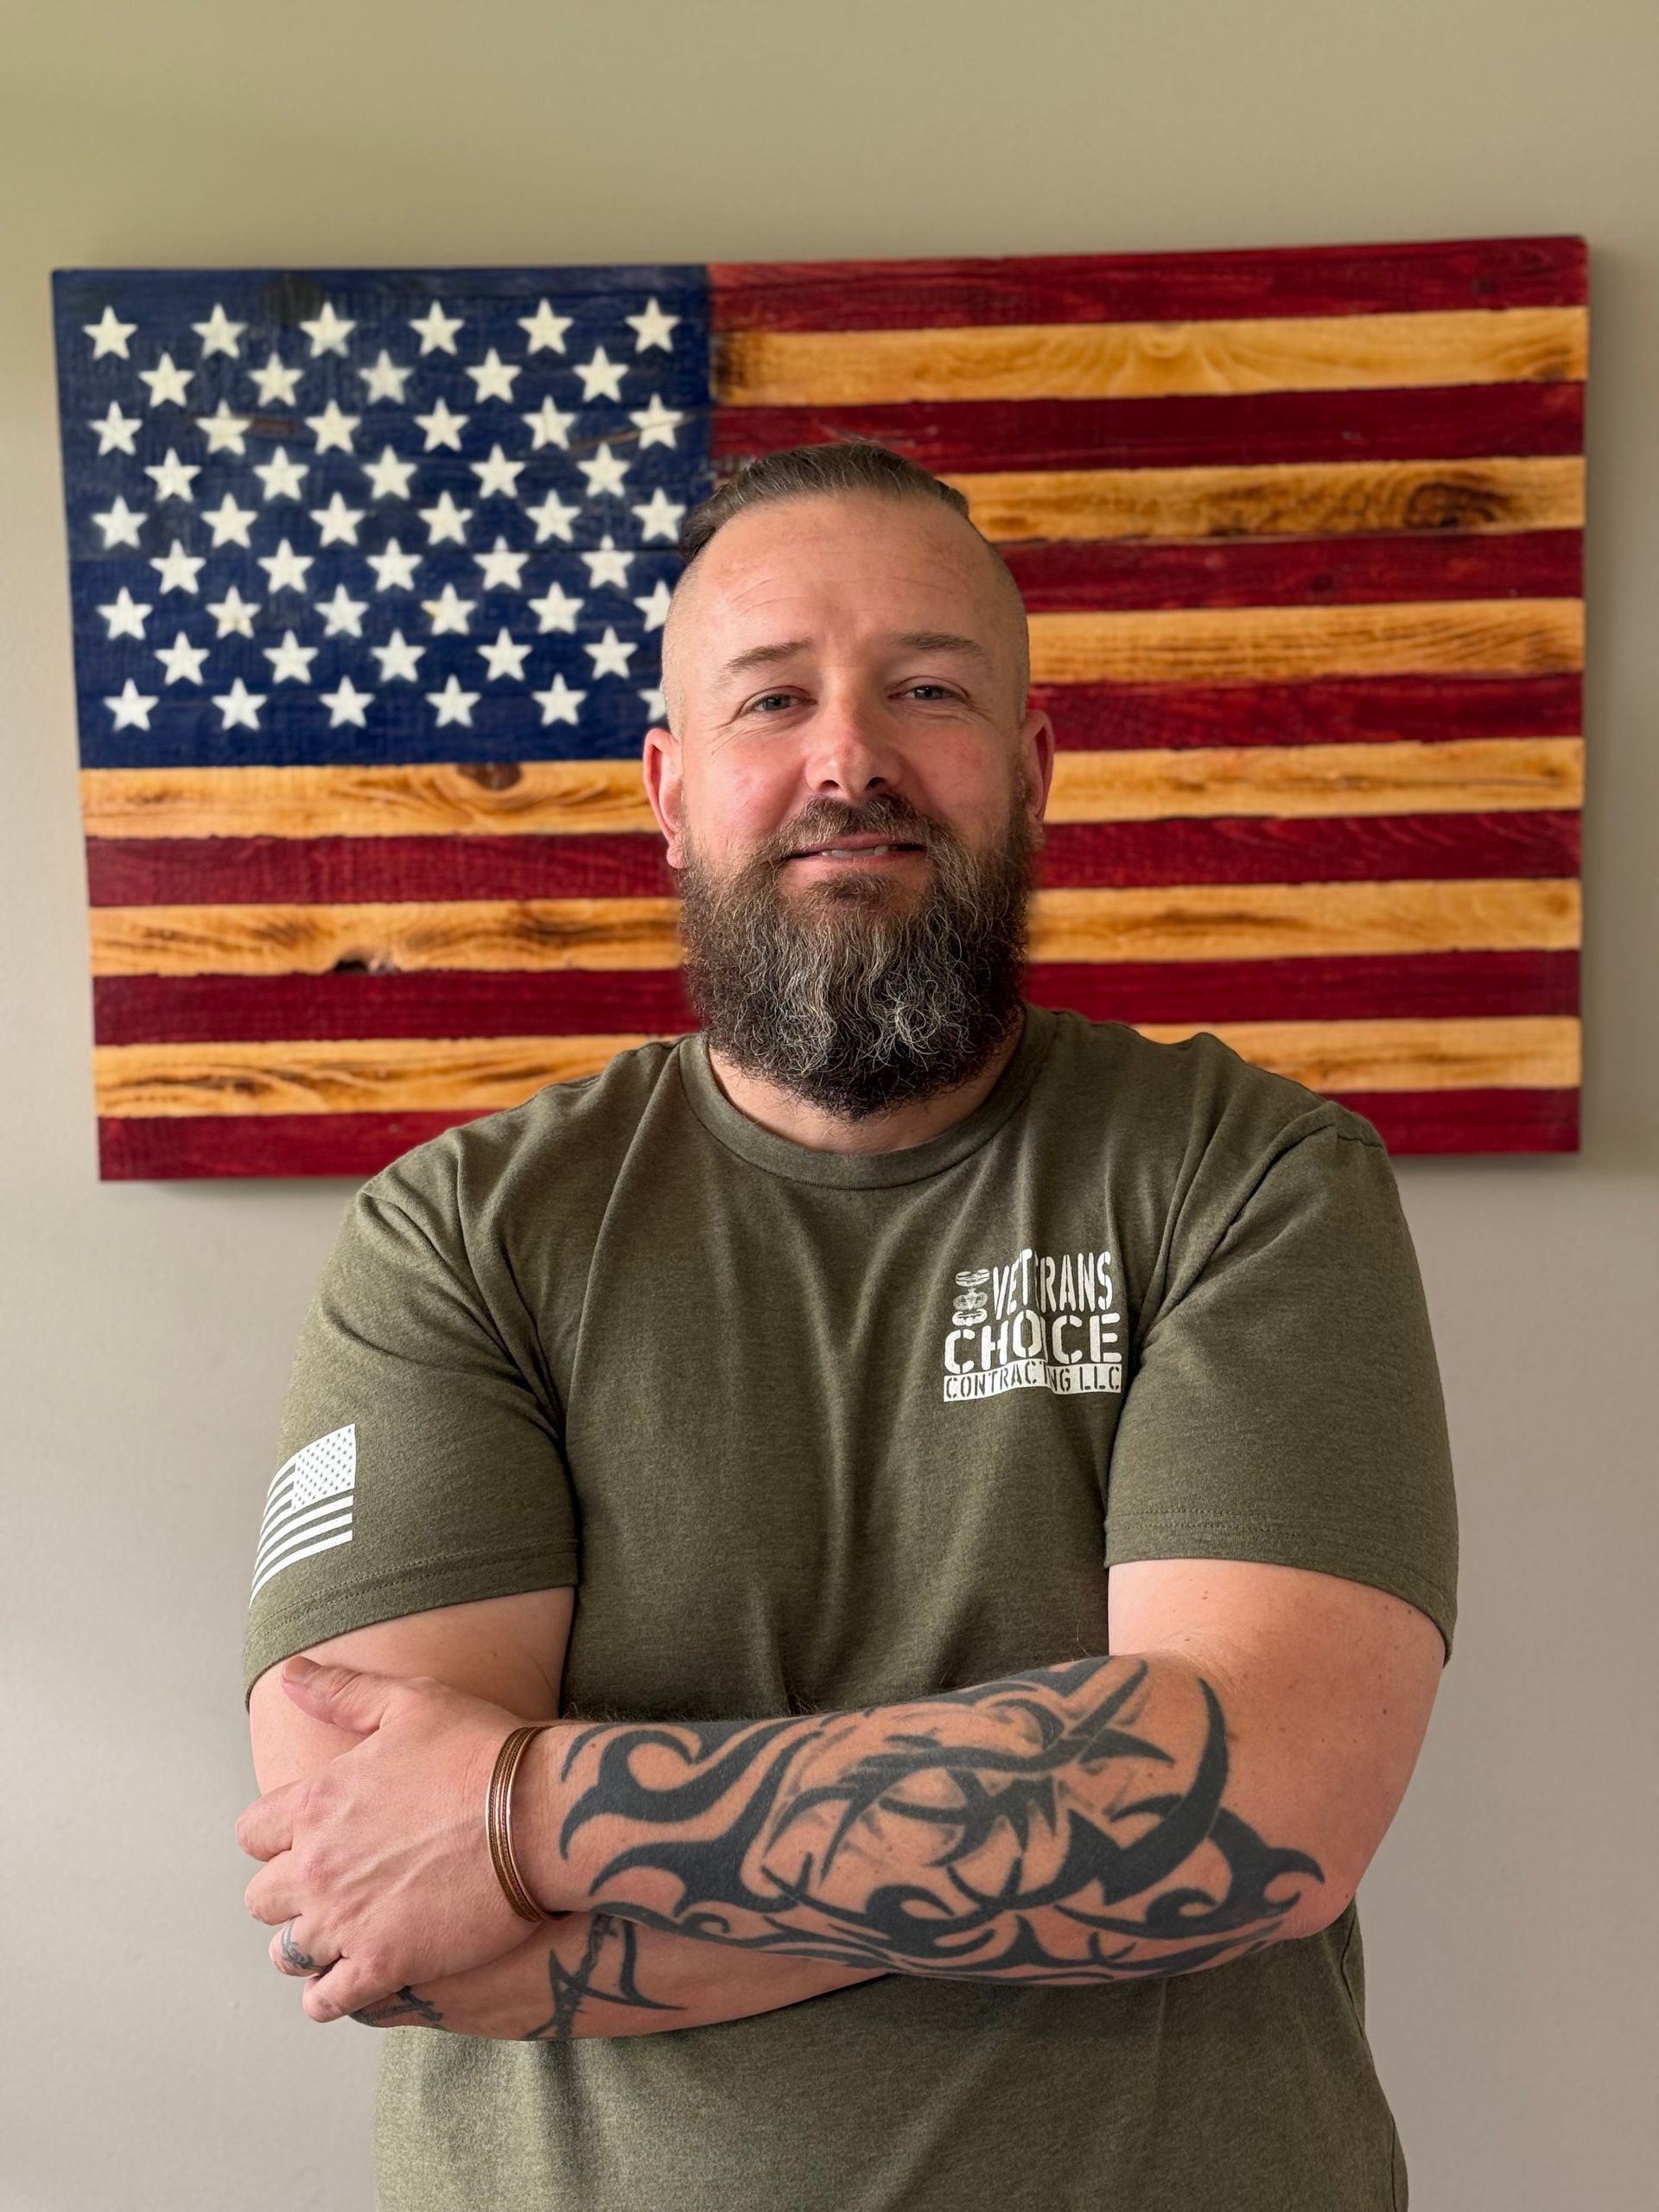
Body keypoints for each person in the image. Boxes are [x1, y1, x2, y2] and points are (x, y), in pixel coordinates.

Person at [237, 440, 1457, 2212]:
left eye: (927, 689)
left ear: (1032, 770)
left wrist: (519, 1814)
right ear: (669, 787)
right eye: (774, 696)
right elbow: (379, 1904)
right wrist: (1062, 1832)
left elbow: (1264, 1813)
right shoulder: (456, 1236)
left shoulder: (1249, 1178)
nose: (848, 759)